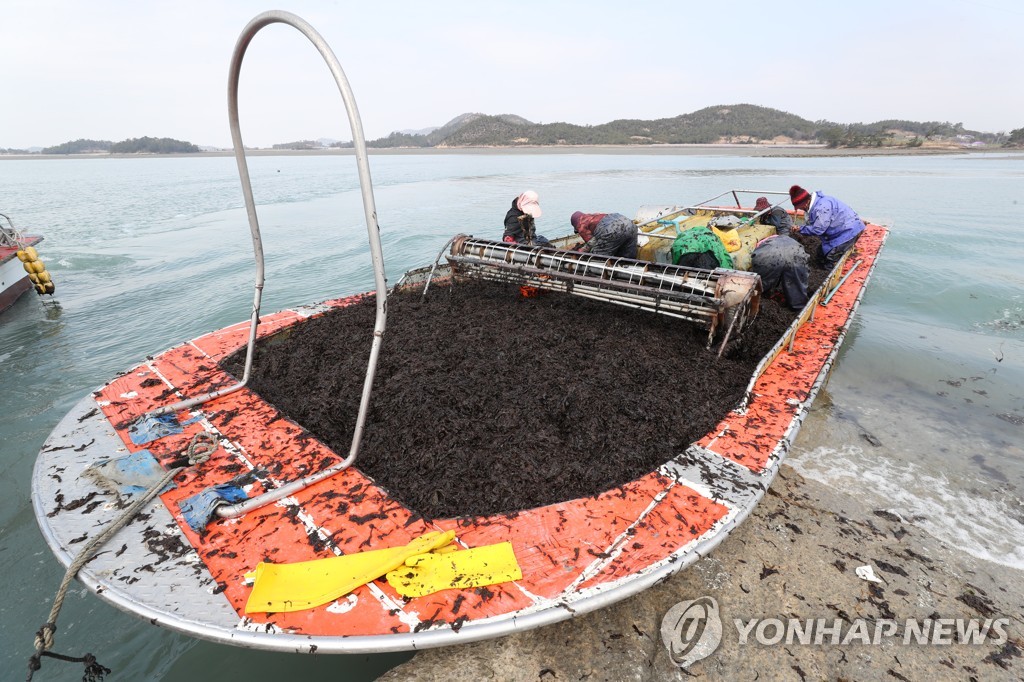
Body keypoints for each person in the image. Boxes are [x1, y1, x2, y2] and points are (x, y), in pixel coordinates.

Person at [749, 202, 809, 310]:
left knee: (765, 279)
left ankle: (763, 297)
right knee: (795, 279)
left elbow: (775, 225)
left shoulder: (776, 213)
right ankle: (798, 306)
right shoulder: (795, 244)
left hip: (775, 247)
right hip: (795, 253)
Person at [788, 185, 864, 266]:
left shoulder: (822, 208)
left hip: (848, 231)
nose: (801, 210)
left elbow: (818, 230)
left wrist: (800, 229)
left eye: (800, 208)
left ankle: (832, 270)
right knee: (821, 254)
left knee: (830, 257)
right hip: (840, 228)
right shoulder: (818, 201)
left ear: (805, 202)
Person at [569, 211, 638, 258]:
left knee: (598, 259)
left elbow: (591, 243)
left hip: (612, 229)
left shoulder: (580, 224)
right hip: (630, 224)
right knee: (627, 258)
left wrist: (581, 251)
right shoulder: (593, 215)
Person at [669, 224, 733, 270]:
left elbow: (676, 248)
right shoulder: (714, 238)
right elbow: (725, 260)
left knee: (682, 273)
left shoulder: (685, 234)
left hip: (685, 251)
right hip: (703, 256)